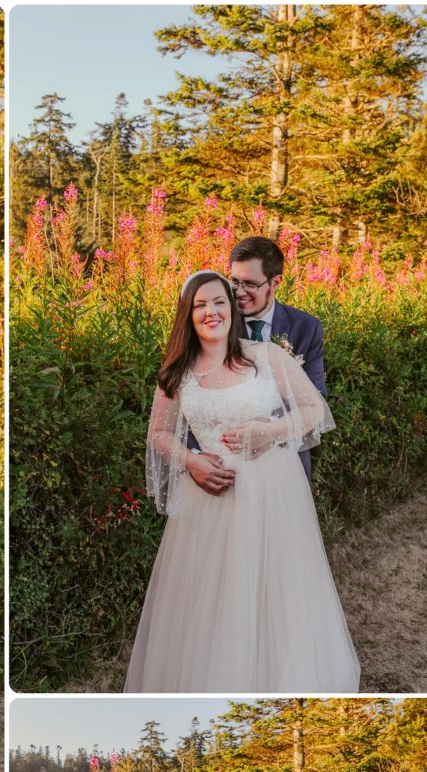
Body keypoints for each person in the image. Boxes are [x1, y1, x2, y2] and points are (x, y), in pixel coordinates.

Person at [123, 271, 359, 692]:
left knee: (276, 588)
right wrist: (191, 461)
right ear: (188, 315)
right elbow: (159, 433)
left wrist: (271, 432)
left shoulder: (266, 357)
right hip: (209, 500)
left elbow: (313, 410)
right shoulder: (177, 374)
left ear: (232, 307)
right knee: (215, 600)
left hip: (274, 493)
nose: (211, 312)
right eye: (200, 306)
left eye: (219, 302)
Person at [187, 236, 326, 495]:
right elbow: (189, 397)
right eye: (234, 281)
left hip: (284, 471)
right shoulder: (213, 321)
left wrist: (270, 431)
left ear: (275, 283)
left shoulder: (305, 328)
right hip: (219, 475)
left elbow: (315, 401)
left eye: (250, 283)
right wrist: (193, 457)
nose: (239, 292)